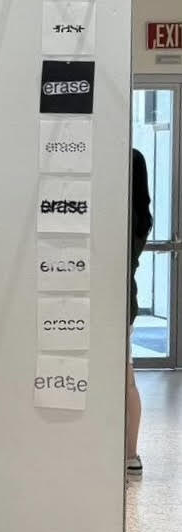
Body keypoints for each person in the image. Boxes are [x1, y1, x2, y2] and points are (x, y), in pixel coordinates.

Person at [127, 147, 153, 477]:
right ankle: (130, 453)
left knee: (124, 376)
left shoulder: (123, 219)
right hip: (125, 302)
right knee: (125, 375)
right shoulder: (140, 221)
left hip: (117, 301)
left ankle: (131, 452)